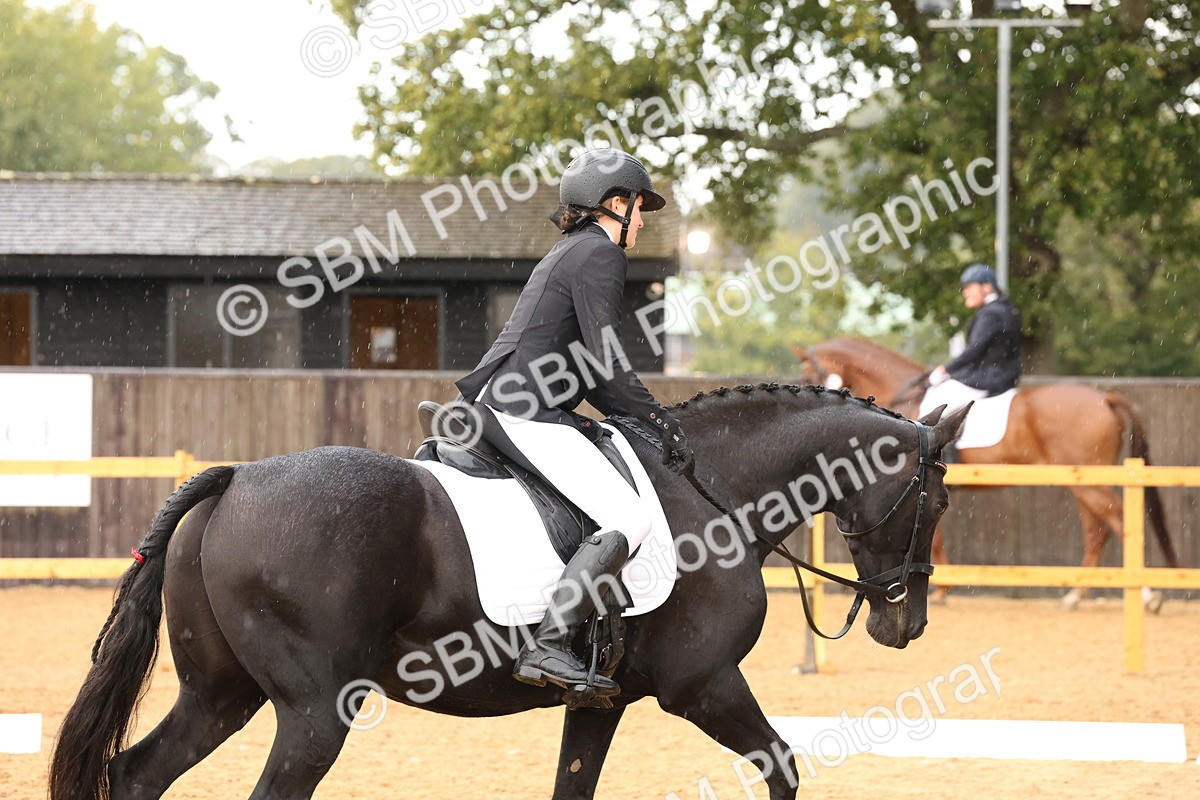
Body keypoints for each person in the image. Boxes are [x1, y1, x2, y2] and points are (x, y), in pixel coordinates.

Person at [455, 147, 693, 698]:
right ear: (615, 203)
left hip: (516, 401)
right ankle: (549, 642)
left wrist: (633, 416)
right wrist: (658, 419)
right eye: (639, 208)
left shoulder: (573, 249)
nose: (641, 222)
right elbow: (606, 362)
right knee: (630, 520)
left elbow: (589, 369)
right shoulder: (600, 253)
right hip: (522, 409)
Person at [920, 263, 1022, 419]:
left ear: (986, 287)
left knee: (932, 400)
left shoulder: (990, 314)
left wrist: (946, 369)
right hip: (1004, 376)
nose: (965, 292)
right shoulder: (1007, 309)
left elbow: (974, 349)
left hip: (987, 378)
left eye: (969, 287)